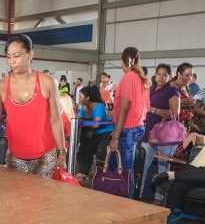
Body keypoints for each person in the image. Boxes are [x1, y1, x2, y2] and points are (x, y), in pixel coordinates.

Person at [0, 34, 67, 177]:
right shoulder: (0, 87)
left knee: (43, 198)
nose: (12, 61)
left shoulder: (47, 82)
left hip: (46, 156)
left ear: (30, 54)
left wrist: (61, 153)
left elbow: (55, 120)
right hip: (15, 157)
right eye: (8, 56)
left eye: (16, 56)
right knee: (17, 198)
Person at [108, 47, 150, 198]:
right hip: (138, 127)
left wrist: (115, 137)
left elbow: (124, 110)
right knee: (118, 167)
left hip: (126, 130)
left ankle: (125, 202)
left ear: (122, 61)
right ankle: (115, 198)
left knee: (124, 169)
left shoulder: (128, 78)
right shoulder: (142, 79)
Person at [140, 63, 180, 204]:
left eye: (165, 74)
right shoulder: (150, 89)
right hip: (148, 132)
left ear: (169, 76)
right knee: (142, 165)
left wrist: (154, 110)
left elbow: (175, 114)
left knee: (163, 167)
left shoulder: (172, 91)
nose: (161, 77)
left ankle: (159, 198)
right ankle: (138, 194)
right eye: (159, 74)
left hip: (166, 136)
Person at [75, 86, 114, 179]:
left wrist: (82, 123)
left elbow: (96, 124)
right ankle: (81, 171)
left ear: (87, 98)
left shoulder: (99, 106)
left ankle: (84, 173)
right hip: (91, 132)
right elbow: (79, 119)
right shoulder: (83, 107)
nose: (78, 98)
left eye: (80, 96)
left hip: (104, 132)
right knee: (81, 149)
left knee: (89, 146)